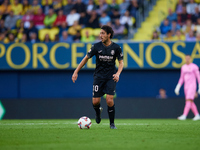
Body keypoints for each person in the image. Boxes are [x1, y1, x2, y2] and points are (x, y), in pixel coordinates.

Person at [72, 25, 123, 129]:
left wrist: (118, 74)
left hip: (111, 77)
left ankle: (112, 124)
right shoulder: (96, 47)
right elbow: (86, 58)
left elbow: (121, 63)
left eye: (103, 33)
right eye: (100, 33)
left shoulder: (116, 48)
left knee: (109, 100)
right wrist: (76, 71)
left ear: (109, 35)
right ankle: (98, 112)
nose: (101, 35)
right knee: (95, 102)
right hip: (98, 77)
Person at [175, 55, 200, 121]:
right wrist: (178, 87)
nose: (187, 59)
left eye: (188, 58)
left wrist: (199, 86)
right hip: (186, 86)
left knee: (188, 100)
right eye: (186, 58)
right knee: (190, 101)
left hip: (192, 86)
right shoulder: (183, 67)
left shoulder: (194, 67)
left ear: (191, 59)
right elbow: (181, 78)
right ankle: (197, 115)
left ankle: (184, 115)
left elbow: (198, 77)